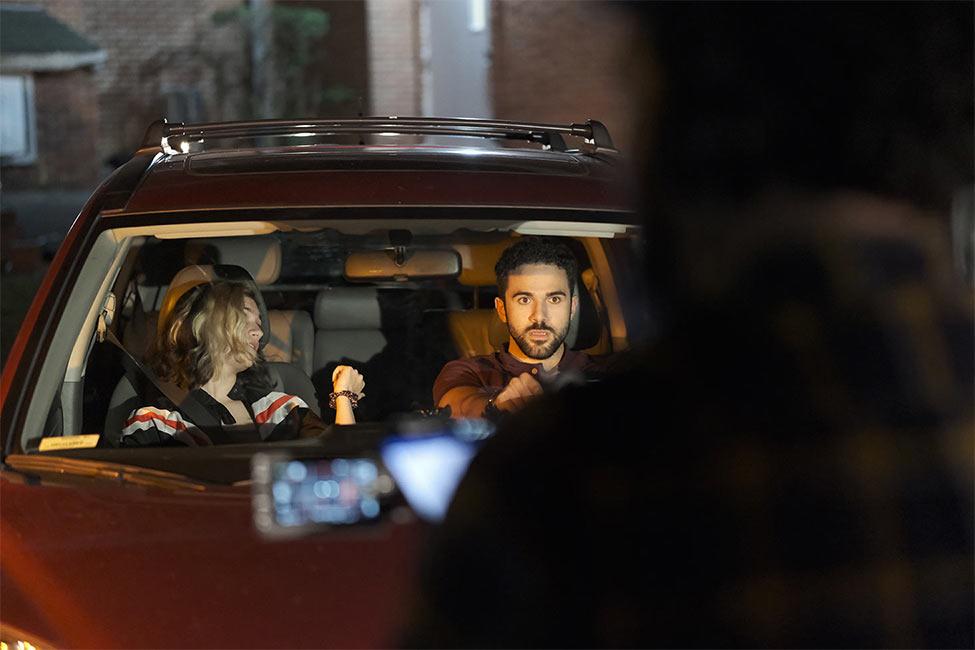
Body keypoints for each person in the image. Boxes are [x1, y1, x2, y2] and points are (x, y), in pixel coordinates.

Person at [405, 3, 973, 647]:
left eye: (638, 88)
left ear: (690, 119)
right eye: (526, 301)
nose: (540, 316)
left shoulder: (564, 486)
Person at [120, 281, 364, 446]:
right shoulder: (155, 422)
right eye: (245, 314)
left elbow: (340, 465)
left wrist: (343, 397)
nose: (258, 331)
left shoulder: (281, 409)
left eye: (259, 321)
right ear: (205, 323)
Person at [433, 237, 610, 419]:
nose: (539, 315)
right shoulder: (470, 371)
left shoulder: (608, 373)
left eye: (554, 299)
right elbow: (458, 405)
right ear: (502, 310)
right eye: (524, 300)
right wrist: (496, 405)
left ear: (572, 307)